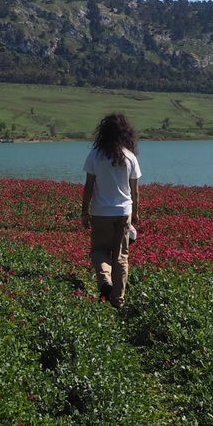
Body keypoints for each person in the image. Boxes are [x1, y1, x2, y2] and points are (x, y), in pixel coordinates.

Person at [81, 113, 141, 308]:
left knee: (99, 251)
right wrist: (136, 213)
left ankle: (105, 283)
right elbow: (135, 190)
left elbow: (89, 186)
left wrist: (84, 212)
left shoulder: (95, 155)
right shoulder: (130, 157)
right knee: (121, 256)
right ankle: (118, 300)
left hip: (101, 212)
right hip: (124, 212)